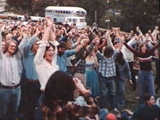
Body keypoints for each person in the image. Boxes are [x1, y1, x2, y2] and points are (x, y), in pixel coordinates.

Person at [0, 23, 28, 120]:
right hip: (4, 90)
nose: (13, 47)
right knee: (2, 113)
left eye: (14, 46)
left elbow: (23, 45)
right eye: (11, 46)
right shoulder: (1, 58)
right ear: (7, 46)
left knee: (13, 112)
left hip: (17, 89)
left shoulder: (16, 57)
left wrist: (27, 33)